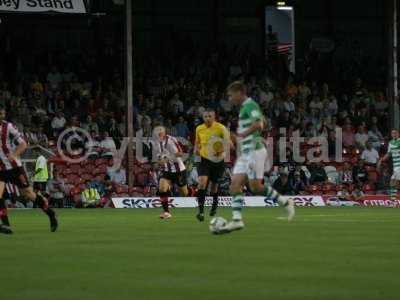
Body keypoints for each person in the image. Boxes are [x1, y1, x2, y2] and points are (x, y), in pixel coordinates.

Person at [219, 82, 295, 234]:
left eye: (230, 95)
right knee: (249, 187)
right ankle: (284, 202)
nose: (229, 98)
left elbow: (259, 124)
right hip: (247, 152)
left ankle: (237, 219)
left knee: (242, 185)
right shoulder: (244, 108)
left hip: (254, 151)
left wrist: (241, 135)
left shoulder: (250, 105)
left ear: (239, 92)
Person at [0, 107, 57, 234]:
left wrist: (14, 154)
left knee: (28, 194)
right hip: (1, 169)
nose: (2, 116)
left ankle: (51, 213)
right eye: (0, 113)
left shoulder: (8, 127)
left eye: (3, 113)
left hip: (14, 167)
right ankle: (6, 225)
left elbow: (23, 144)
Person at [194, 109, 230, 221]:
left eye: (210, 116)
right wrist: (196, 153)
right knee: (202, 183)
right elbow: (197, 143)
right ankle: (200, 211)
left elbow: (227, 142)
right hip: (204, 160)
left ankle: (214, 206)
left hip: (217, 161)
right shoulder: (199, 128)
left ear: (214, 117)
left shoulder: (221, 128)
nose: (207, 118)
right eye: (205, 116)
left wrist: (221, 151)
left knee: (214, 187)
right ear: (203, 117)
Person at [153, 126, 188, 219]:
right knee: (162, 189)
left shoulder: (171, 140)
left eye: (160, 130)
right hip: (167, 170)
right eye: (157, 131)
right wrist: (158, 163)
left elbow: (180, 153)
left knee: (184, 193)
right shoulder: (156, 143)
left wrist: (166, 159)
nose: (159, 132)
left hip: (178, 170)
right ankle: (166, 212)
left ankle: (194, 194)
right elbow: (160, 158)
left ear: (165, 132)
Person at [378, 129, 400, 201]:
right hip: (395, 166)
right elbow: (389, 153)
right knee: (392, 182)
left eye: (395, 133)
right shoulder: (390, 142)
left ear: (398, 134)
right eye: (392, 133)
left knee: (394, 182)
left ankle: (393, 199)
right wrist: (381, 160)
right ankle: (393, 200)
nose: (394, 134)